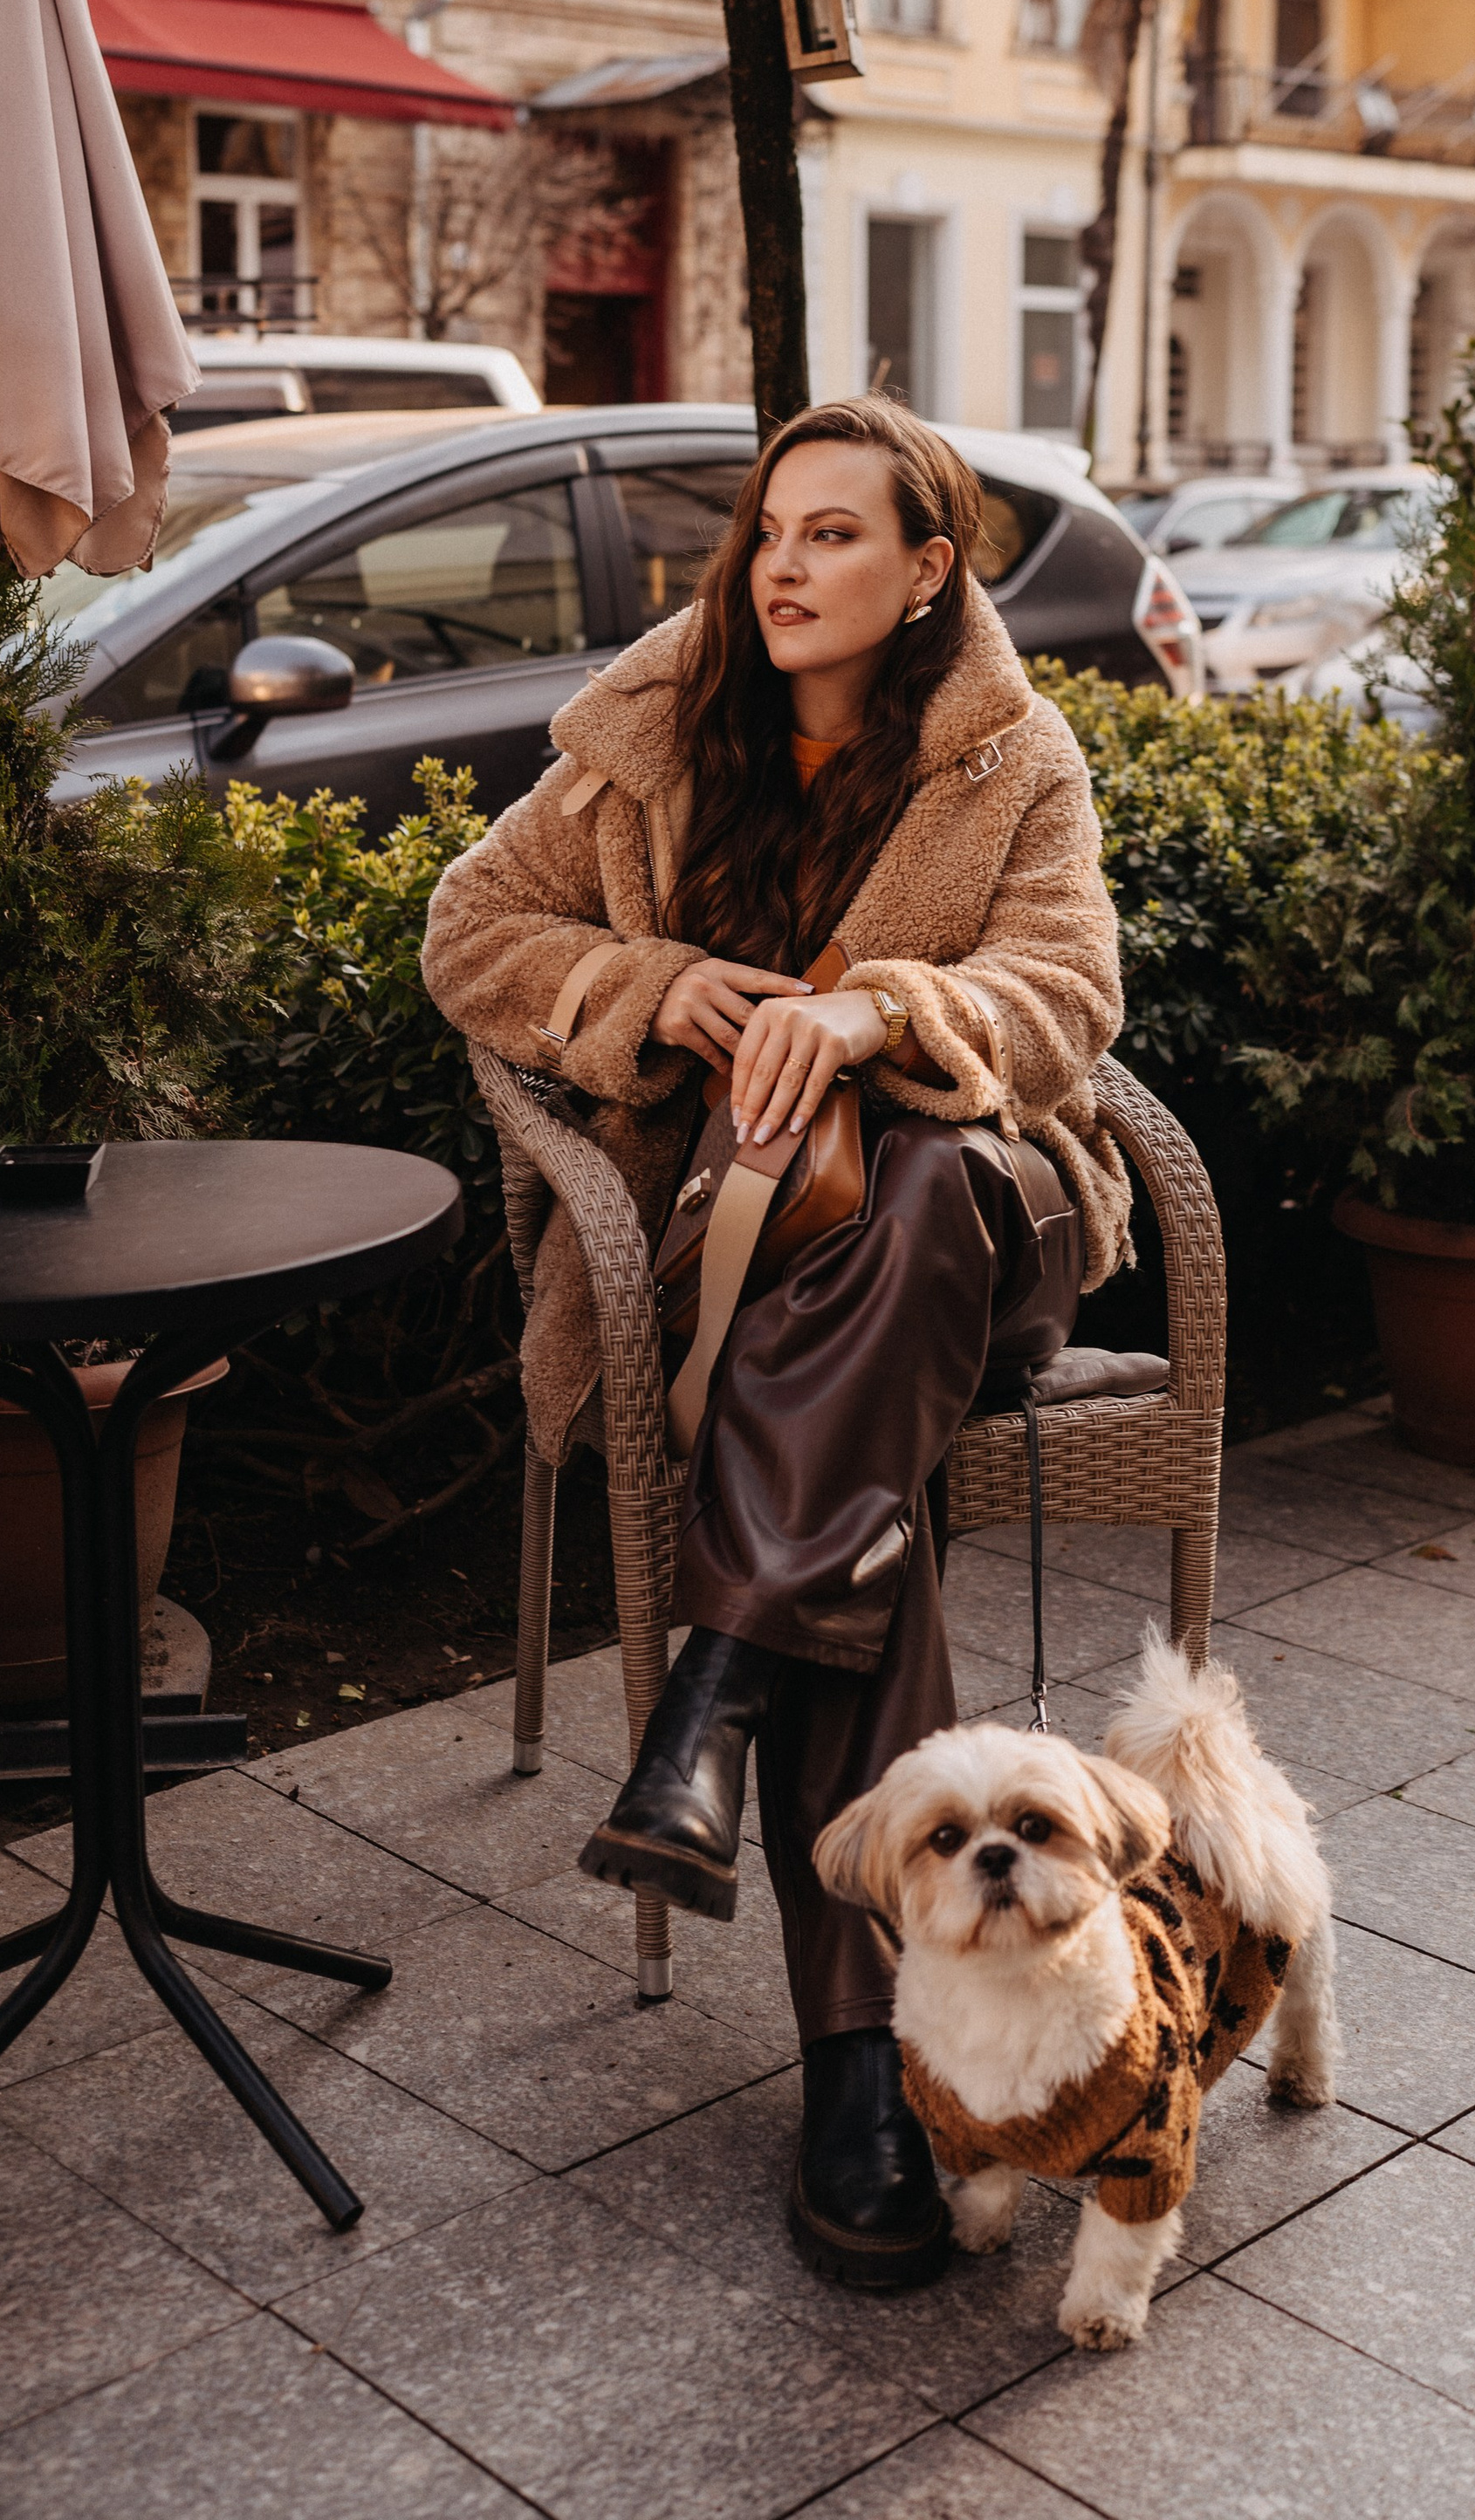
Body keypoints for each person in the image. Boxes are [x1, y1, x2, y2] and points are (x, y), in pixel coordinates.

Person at [422, 397, 1133, 2285]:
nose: (786, 568)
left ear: (925, 572)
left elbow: (1067, 992)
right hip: (752, 1277)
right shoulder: (653, 750)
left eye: (836, 536)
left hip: (989, 1234)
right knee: (848, 1506)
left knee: (909, 1203)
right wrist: (658, 988)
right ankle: (861, 2069)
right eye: (768, 536)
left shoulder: (1008, 758)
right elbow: (470, 925)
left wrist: (882, 1012)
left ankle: (714, 1685)